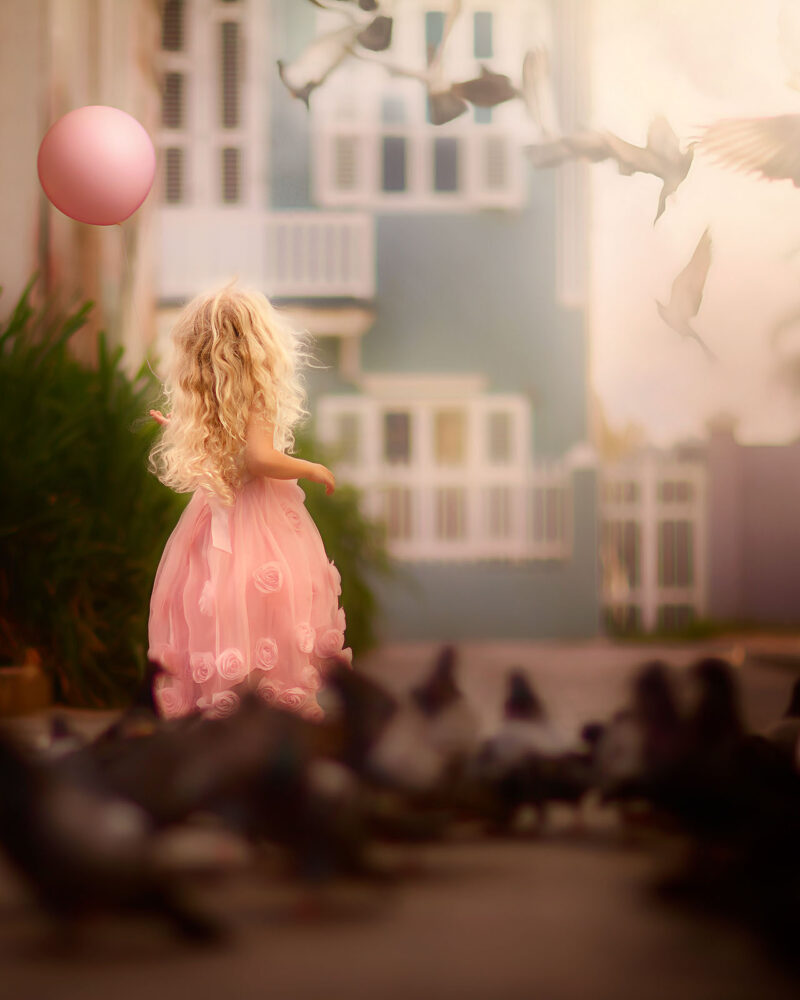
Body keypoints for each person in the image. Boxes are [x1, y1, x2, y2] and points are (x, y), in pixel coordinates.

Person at [147, 284, 350, 721]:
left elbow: (227, 448)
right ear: (259, 340)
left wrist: (177, 425)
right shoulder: (258, 390)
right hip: (257, 517)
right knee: (270, 607)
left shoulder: (212, 394)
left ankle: (227, 701)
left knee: (221, 606)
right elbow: (259, 458)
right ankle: (266, 704)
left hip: (214, 516)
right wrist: (311, 467)